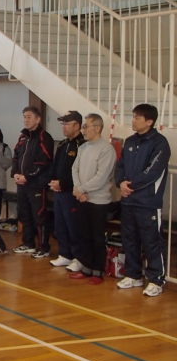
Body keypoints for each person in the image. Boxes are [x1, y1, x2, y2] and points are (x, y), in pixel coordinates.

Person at [115, 104, 171, 297]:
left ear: (149, 121)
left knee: (151, 241)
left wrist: (130, 185)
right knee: (129, 239)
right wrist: (120, 183)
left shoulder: (159, 143)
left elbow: (152, 172)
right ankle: (133, 275)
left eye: (137, 118)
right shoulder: (130, 141)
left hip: (148, 202)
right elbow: (120, 165)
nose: (133, 121)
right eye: (133, 117)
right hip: (128, 201)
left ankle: (156, 280)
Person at [69, 113, 116, 285]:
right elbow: (75, 169)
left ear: (97, 128)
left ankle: (98, 271)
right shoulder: (83, 147)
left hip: (98, 201)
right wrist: (78, 190)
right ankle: (87, 267)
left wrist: (81, 189)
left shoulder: (106, 149)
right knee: (84, 235)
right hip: (82, 198)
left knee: (97, 237)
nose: (83, 130)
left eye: (85, 126)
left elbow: (101, 177)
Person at [11, 106, 54, 258]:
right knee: (24, 215)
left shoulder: (44, 137)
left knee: (39, 217)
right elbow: (15, 156)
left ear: (38, 119)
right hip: (22, 185)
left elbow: (44, 161)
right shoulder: (23, 137)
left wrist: (27, 176)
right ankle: (28, 243)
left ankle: (43, 247)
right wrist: (15, 173)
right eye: (24, 116)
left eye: (29, 117)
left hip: (36, 185)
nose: (26, 120)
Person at [48, 112, 86, 272]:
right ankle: (65, 254)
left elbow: (80, 172)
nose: (63, 127)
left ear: (77, 125)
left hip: (72, 192)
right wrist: (52, 181)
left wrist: (63, 184)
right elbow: (55, 165)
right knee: (60, 224)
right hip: (58, 192)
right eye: (62, 124)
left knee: (73, 225)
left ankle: (78, 257)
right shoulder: (62, 144)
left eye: (66, 124)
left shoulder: (82, 145)